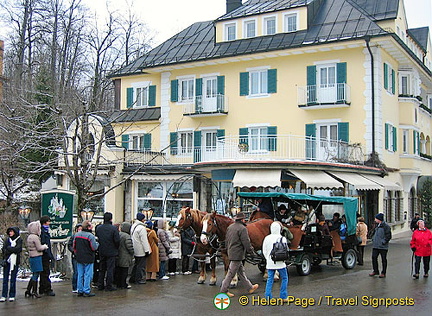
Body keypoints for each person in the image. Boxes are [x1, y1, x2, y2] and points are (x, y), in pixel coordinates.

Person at [220, 212, 259, 298]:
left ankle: (250, 287)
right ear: (242, 220)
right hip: (238, 254)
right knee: (231, 273)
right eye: (244, 219)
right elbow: (246, 242)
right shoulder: (242, 228)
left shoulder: (230, 227)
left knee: (241, 272)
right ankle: (224, 290)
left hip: (231, 252)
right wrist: (251, 252)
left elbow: (227, 240)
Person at [262, 222, 288, 301]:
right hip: (281, 263)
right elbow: (286, 250)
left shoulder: (267, 238)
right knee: (284, 278)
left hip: (270, 263)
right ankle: (283, 296)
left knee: (270, 279)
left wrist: (268, 259)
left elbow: (264, 250)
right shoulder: (283, 238)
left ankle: (268, 296)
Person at [73, 220, 99, 297]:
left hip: (79, 257)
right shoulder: (90, 236)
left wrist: (76, 253)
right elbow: (94, 247)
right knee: (88, 274)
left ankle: (79, 290)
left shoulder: (77, 235)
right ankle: (86, 290)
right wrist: (97, 244)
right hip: (88, 257)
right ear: (88, 227)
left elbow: (74, 246)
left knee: (80, 274)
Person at [95, 212, 120, 291]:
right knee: (110, 269)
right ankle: (109, 285)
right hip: (111, 251)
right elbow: (117, 240)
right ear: (111, 219)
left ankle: (100, 284)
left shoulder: (99, 228)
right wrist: (116, 248)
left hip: (101, 250)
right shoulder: (113, 229)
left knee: (102, 269)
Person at [26, 221, 48, 298]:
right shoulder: (35, 237)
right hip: (37, 256)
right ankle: (34, 291)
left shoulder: (29, 236)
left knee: (34, 274)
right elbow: (39, 248)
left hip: (32, 256)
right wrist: (45, 246)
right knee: (36, 274)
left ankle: (28, 290)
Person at [1, 227, 23, 302]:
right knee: (5, 279)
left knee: (13, 279)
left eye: (12, 231)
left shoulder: (19, 240)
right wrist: (10, 249)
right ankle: (4, 295)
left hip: (15, 262)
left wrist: (9, 249)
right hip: (7, 261)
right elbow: (4, 249)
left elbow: (18, 249)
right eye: (9, 231)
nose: (10, 233)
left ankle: (12, 294)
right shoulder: (7, 240)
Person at [129, 213, 151, 284]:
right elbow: (144, 240)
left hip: (135, 248)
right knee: (141, 266)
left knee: (136, 264)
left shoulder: (134, 226)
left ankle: (133, 278)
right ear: (142, 219)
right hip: (140, 249)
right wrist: (147, 250)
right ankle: (139, 279)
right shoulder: (141, 228)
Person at [369, 213, 392, 278]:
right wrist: (373, 238)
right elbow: (373, 233)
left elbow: (388, 236)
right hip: (376, 245)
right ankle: (375, 270)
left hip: (383, 246)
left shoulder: (386, 226)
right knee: (374, 257)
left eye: (376, 218)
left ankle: (383, 272)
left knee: (383, 259)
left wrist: (383, 242)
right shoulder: (376, 225)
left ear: (379, 219)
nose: (375, 219)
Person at [39, 215, 55, 296]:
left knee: (44, 272)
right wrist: (48, 254)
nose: (49, 223)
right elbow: (44, 243)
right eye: (48, 221)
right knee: (45, 272)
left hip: (46, 254)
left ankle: (42, 288)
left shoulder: (45, 231)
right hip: (44, 255)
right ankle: (46, 288)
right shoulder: (42, 232)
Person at [116, 222, 134, 289]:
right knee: (124, 271)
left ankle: (118, 283)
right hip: (125, 256)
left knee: (119, 271)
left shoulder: (118, 234)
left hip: (118, 255)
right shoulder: (127, 236)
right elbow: (129, 247)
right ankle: (123, 284)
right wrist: (132, 253)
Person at [67, 223, 82, 293]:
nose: (80, 230)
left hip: (82, 256)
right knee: (76, 272)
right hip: (75, 256)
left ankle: (80, 286)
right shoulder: (73, 237)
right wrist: (73, 251)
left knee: (81, 272)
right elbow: (69, 245)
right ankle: (75, 287)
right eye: (78, 229)